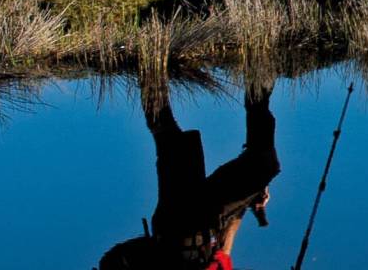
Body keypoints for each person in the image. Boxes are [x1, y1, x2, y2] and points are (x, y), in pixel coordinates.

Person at [99, 78, 281, 270]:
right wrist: (247, 198)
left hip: (179, 225)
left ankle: (151, 68)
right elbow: (223, 250)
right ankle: (258, 82)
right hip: (203, 221)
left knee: (170, 139)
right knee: (263, 166)